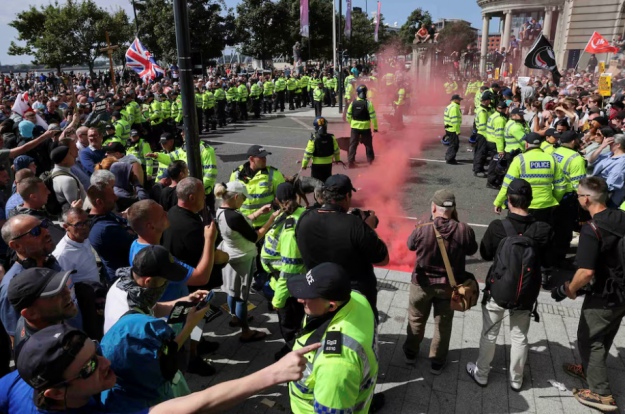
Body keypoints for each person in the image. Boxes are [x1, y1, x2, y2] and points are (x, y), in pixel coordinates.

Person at [0, 323, 320, 414]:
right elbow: (190, 406)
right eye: (88, 369)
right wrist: (272, 374)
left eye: (96, 352)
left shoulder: (16, 380)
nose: (106, 362)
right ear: (55, 392)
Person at [466, 179, 552, 391]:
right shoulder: (543, 229)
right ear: (530, 201)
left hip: (499, 289)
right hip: (526, 292)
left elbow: (485, 253)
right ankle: (516, 379)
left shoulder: (498, 227)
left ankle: (482, 373)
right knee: (520, 335)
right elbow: (550, 261)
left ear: (508, 201)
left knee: (490, 333)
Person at [556, 176, 624, 412]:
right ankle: (589, 368)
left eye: (578, 195)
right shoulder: (621, 217)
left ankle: (601, 393)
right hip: (622, 293)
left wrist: (570, 289)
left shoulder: (592, 229)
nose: (578, 199)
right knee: (605, 335)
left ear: (586, 199)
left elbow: (585, 272)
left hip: (604, 295)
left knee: (589, 339)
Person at [287, 262, 380, 414]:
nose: (300, 299)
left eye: (309, 296)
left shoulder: (335, 365)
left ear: (331, 306)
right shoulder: (356, 298)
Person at [403, 189, 477, 374]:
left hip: (422, 284)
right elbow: (472, 249)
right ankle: (437, 362)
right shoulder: (463, 230)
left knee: (416, 319)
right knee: (443, 325)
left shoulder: (422, 227)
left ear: (434, 206)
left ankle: (411, 354)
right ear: (452, 209)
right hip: (449, 288)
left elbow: (410, 245)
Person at [296, 174, 389, 316]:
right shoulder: (355, 226)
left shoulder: (304, 219)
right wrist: (369, 228)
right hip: (353, 297)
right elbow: (383, 259)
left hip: (317, 293)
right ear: (347, 196)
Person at [214, 181, 279, 342]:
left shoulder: (222, 211)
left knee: (231, 291)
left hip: (229, 254)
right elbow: (255, 236)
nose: (244, 201)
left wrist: (258, 213)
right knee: (241, 297)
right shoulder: (234, 216)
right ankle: (246, 331)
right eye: (243, 198)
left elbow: (242, 222)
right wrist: (271, 219)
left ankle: (235, 318)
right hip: (242, 258)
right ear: (236, 197)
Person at [0, 215, 79, 343]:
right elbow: (18, 340)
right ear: (16, 245)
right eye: (35, 232)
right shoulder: (11, 288)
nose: (46, 232)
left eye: (44, 225)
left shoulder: (50, 262)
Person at [262, 183, 306, 360]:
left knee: (289, 325)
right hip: (289, 283)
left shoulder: (289, 227)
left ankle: (293, 352)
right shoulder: (299, 213)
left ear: (278, 200)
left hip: (288, 288)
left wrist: (279, 300)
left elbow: (290, 269)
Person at [52, 208, 102, 339]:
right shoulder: (62, 255)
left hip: (95, 297)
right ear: (65, 227)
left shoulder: (82, 238)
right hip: (84, 305)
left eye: (87, 222)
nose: (85, 227)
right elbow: (65, 290)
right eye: (79, 224)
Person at [7, 267, 79, 349]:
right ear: (31, 313)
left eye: (63, 285)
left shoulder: (28, 321)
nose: (67, 292)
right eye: (55, 293)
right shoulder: (51, 353)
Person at [87, 170, 137, 283]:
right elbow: (135, 242)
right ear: (99, 202)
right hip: (122, 280)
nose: (115, 198)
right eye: (111, 195)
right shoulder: (105, 229)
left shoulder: (105, 215)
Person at [551, 131, 587, 266]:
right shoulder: (576, 158)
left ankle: (553, 252)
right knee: (564, 229)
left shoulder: (555, 152)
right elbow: (579, 184)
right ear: (573, 141)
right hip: (567, 197)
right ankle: (559, 258)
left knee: (554, 225)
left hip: (554, 193)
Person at [230, 145, 285, 227]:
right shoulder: (236, 175)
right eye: (261, 157)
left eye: (265, 157)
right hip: (244, 223)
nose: (265, 159)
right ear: (251, 159)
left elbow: (285, 201)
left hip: (267, 224)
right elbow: (230, 201)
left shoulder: (275, 175)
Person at [588, 133, 625, 207]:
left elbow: (612, 183)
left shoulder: (622, 161)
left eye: (611, 143)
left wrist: (594, 192)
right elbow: (591, 160)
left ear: (618, 145)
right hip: (596, 187)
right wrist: (601, 147)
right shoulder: (609, 154)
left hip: (607, 195)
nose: (608, 145)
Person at [346, 85, 378, 168]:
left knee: (353, 144)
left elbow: (348, 116)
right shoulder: (368, 103)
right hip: (366, 127)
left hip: (354, 128)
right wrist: (375, 128)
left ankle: (350, 162)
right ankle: (370, 161)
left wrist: (352, 123)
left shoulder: (353, 103)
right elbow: (373, 117)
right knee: (368, 145)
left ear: (357, 93)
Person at [301, 117, 341, 183]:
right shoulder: (331, 137)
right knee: (327, 182)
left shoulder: (313, 139)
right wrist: (337, 160)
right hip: (328, 164)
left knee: (316, 184)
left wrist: (304, 165)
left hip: (316, 166)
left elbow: (308, 153)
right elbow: (336, 150)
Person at [50, 144, 86, 214]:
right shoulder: (67, 180)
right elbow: (77, 207)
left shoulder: (55, 172)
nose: (73, 155)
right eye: (70, 154)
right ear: (63, 161)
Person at [473, 91, 494, 177]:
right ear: (485, 101)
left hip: (483, 134)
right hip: (483, 134)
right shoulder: (483, 112)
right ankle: (478, 170)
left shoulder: (486, 109)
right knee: (481, 152)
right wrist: (488, 136)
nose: (490, 102)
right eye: (489, 100)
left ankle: (478, 168)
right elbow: (482, 126)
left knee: (482, 152)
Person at [443, 94, 463, 164]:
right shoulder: (454, 108)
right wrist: (457, 131)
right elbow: (455, 121)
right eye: (459, 99)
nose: (460, 101)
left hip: (449, 128)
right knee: (454, 144)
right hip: (453, 129)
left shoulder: (449, 106)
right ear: (454, 100)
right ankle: (450, 159)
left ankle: (448, 156)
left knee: (452, 144)